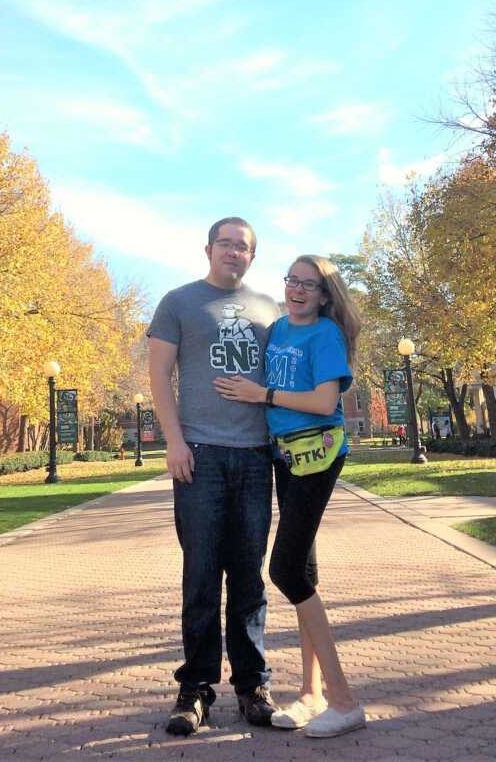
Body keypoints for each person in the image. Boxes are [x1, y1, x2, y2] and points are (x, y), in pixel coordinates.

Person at [214, 254, 366, 739]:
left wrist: (263, 396)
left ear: (325, 294)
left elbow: (324, 402)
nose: (297, 290)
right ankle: (311, 694)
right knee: (304, 571)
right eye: (292, 281)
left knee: (283, 570)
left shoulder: (325, 334)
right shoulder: (279, 328)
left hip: (317, 452)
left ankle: (344, 700)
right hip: (284, 454)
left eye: (309, 284)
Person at [148, 217, 280, 736]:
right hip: (199, 454)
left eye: (243, 246)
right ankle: (196, 689)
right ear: (208, 249)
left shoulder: (271, 308)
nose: (233, 251)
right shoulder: (178, 302)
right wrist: (174, 442)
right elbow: (159, 375)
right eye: (225, 243)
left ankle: (253, 685)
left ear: (252, 255)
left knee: (249, 575)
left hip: (254, 455)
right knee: (201, 574)